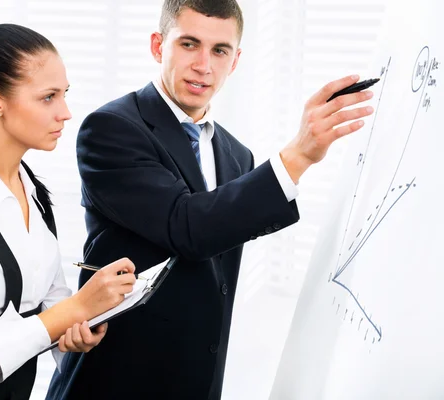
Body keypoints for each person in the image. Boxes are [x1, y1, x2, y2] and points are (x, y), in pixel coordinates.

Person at [47, 0, 376, 399]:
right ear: (158, 46)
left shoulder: (237, 156)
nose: (204, 65)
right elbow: (188, 227)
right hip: (116, 379)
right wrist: (298, 156)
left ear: (235, 61)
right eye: (189, 44)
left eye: (219, 51)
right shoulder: (112, 129)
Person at [0, 23, 136, 400]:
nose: (66, 113)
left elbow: (53, 306)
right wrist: (72, 311)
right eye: (48, 97)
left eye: (64, 94)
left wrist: (82, 324)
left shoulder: (31, 187)